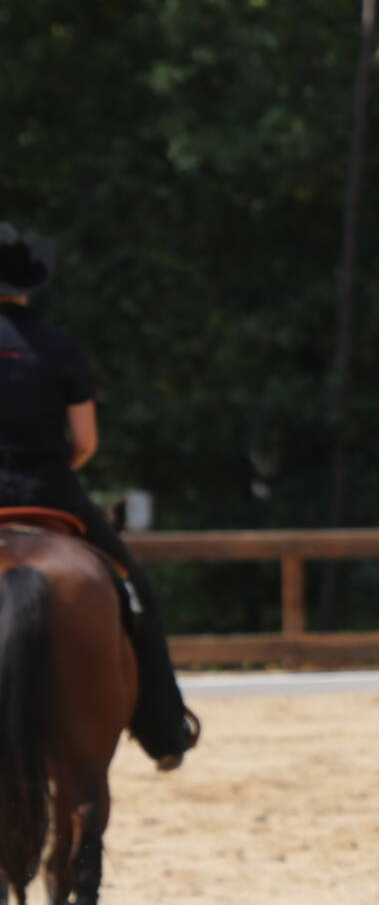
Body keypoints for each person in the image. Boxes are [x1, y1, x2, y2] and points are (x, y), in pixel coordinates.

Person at [0, 225, 198, 769]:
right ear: (27, 282)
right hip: (50, 493)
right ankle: (164, 729)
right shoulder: (59, 345)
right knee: (136, 594)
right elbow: (85, 443)